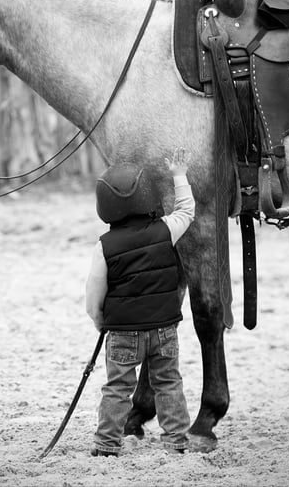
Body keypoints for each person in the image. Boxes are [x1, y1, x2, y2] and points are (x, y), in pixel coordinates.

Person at [85, 147, 195, 456]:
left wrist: (100, 321)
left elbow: (93, 298)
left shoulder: (104, 247)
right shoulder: (165, 230)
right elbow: (186, 211)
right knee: (169, 384)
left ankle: (107, 445)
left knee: (118, 389)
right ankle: (175, 442)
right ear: (147, 196)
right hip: (164, 330)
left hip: (123, 333)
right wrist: (179, 175)